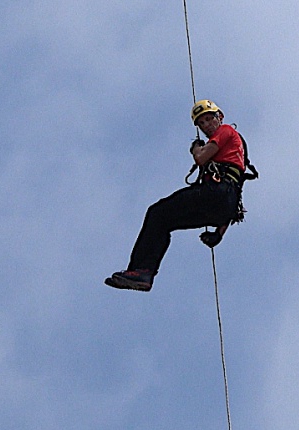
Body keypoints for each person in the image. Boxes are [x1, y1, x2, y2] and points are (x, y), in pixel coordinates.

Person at [106, 99, 249, 292]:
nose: (206, 125)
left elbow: (200, 158)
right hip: (223, 204)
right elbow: (232, 198)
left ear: (220, 117)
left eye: (209, 119)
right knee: (163, 221)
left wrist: (195, 148)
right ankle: (143, 273)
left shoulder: (226, 131)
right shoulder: (232, 155)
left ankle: (141, 270)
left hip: (215, 192)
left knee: (157, 213)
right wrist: (219, 233)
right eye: (201, 123)